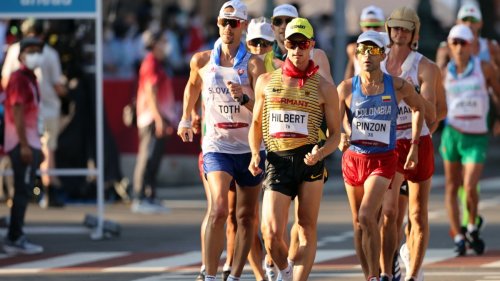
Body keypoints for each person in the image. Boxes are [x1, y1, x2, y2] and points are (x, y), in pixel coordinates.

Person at [177, 1, 266, 281]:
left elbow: (263, 107)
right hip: (217, 145)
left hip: (249, 148)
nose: (228, 28)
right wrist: (186, 117)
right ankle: (209, 274)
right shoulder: (202, 60)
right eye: (224, 22)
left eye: (234, 23)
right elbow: (192, 86)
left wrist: (244, 98)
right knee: (217, 209)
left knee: (246, 217)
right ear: (217, 23)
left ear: (243, 26)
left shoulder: (254, 64)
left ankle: (236, 275)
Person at [249, 18, 341, 281]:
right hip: (277, 160)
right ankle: (286, 272)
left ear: (311, 46)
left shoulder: (325, 88)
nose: (298, 50)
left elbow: (335, 135)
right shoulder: (266, 81)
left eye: (303, 44)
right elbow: (256, 124)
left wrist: (321, 153)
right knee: (270, 232)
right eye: (292, 44)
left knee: (305, 229)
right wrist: (255, 152)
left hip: (309, 160)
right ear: (284, 45)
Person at [337, 30, 424, 281]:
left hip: (383, 159)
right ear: (357, 54)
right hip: (354, 159)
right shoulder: (345, 88)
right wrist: (342, 133)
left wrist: (416, 144)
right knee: (359, 223)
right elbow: (335, 123)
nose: (367, 55)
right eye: (363, 50)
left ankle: (381, 274)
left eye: (373, 50)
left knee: (368, 214)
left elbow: (418, 108)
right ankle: (370, 275)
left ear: (383, 55)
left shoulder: (396, 85)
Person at [379, 6, 444, 281]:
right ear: (388, 30)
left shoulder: (425, 67)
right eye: (395, 27)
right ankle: (385, 272)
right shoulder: (377, 64)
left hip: (418, 143)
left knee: (416, 213)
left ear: (414, 32)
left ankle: (413, 275)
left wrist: (412, 96)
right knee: (389, 213)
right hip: (387, 145)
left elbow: (432, 112)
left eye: (406, 28)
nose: (400, 33)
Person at [435, 1, 500, 241]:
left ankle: (471, 222)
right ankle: (459, 235)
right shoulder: (444, 61)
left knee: (470, 185)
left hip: (477, 130)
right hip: (453, 131)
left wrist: (497, 119)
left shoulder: (488, 54)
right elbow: (433, 99)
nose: (461, 46)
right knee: (454, 185)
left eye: (474, 21)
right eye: (465, 20)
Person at [1, 19, 67, 208]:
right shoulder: (45, 56)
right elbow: (57, 86)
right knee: (41, 150)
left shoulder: (15, 52)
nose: (34, 54)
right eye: (30, 52)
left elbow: (4, 81)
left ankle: (23, 193)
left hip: (30, 113)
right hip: (27, 114)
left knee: (37, 154)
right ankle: (44, 192)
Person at [2, 37, 44, 255]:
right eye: (31, 50)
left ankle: (16, 235)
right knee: (22, 191)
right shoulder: (19, 79)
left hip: (29, 141)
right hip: (21, 144)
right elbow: (17, 113)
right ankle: (15, 236)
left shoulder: (30, 79)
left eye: (38, 50)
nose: (35, 54)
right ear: (20, 55)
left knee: (24, 190)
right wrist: (26, 145)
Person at [131, 31, 175, 214]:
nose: (166, 45)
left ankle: (150, 195)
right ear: (155, 44)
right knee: (147, 157)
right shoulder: (150, 63)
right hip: (151, 118)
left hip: (157, 117)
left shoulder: (157, 63)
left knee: (154, 158)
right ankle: (139, 197)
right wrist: (158, 119)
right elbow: (150, 91)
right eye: (164, 41)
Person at [344, 5, 388, 79]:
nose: (371, 30)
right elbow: (349, 75)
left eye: (376, 26)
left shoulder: (391, 48)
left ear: (383, 26)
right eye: (367, 26)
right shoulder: (353, 49)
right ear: (361, 27)